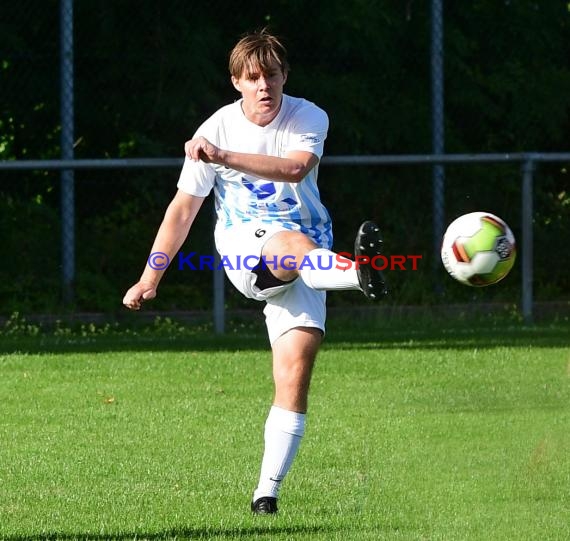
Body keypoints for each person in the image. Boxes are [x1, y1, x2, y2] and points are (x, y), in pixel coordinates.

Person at [122, 29, 386, 515]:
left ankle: (266, 493)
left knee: (295, 372)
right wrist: (149, 278)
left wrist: (222, 158)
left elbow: (295, 169)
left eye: (272, 75)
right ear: (236, 83)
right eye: (253, 77)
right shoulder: (215, 129)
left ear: (286, 76)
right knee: (292, 243)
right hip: (247, 249)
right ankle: (358, 276)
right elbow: (182, 211)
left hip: (311, 254)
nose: (264, 86)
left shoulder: (308, 115)